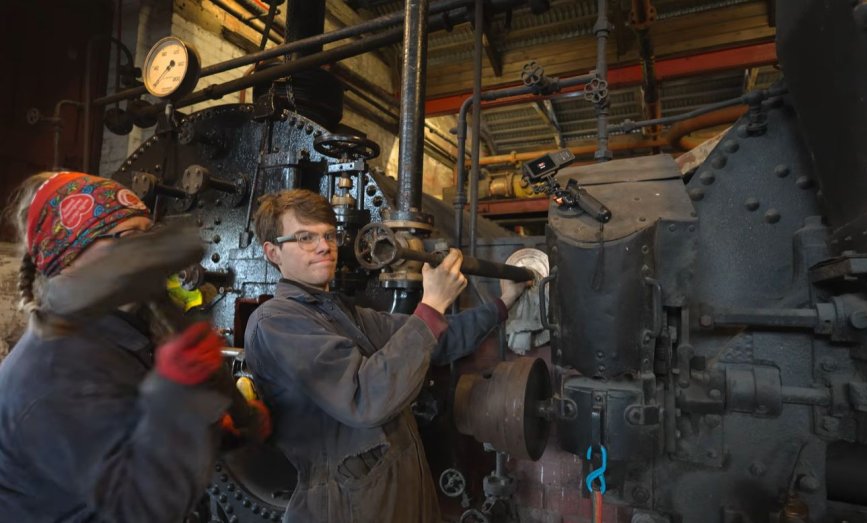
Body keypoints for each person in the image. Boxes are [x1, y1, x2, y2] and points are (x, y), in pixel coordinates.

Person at [244, 189, 528, 522]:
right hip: (343, 506)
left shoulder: (343, 314)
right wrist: (432, 303)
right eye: (305, 237)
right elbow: (364, 399)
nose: (324, 246)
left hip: (397, 491)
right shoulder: (276, 322)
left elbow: (437, 338)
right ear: (273, 252)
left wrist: (503, 302)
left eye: (328, 235)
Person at [0, 171, 235, 521]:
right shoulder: (54, 372)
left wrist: (211, 428)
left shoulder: (118, 336)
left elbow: (136, 446)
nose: (148, 252)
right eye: (128, 236)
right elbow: (138, 510)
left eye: (148, 233)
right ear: (68, 258)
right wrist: (178, 395)